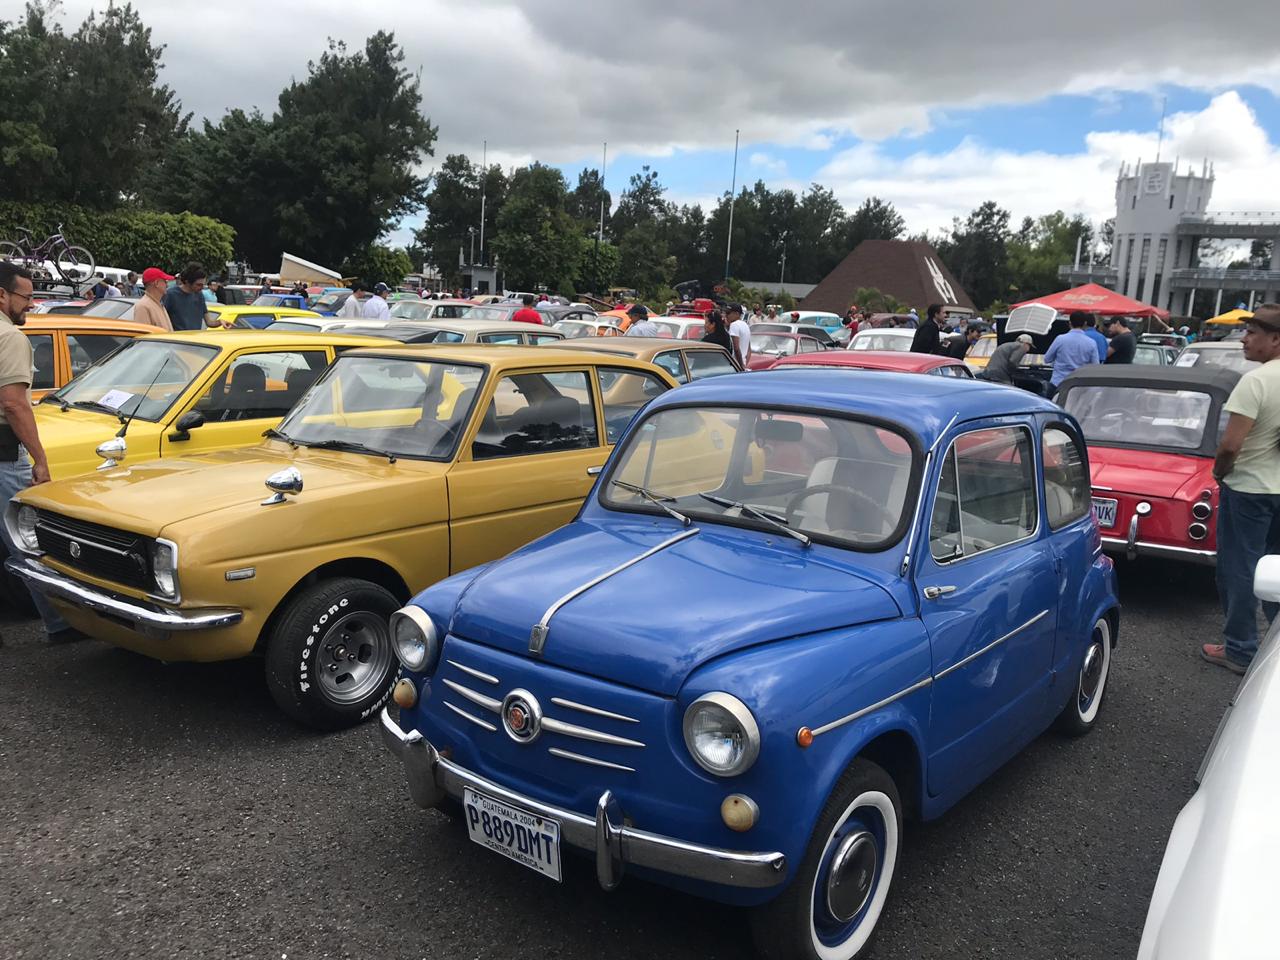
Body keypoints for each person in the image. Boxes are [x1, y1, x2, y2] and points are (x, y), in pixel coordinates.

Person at [0, 262, 82, 644]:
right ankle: (60, 622)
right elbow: (15, 405)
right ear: (3, 295)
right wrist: (41, 459)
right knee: (27, 540)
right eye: (27, 297)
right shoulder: (11, 338)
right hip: (4, 455)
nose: (32, 305)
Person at [1203, 305, 1280, 674]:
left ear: (1275, 339)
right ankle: (1274, 644)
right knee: (1276, 569)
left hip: (1249, 488)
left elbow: (1231, 445)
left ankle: (1239, 648)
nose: (1244, 339)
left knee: (1240, 568)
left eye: (1252, 333)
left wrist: (1220, 473)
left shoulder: (1257, 381)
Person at [1044, 312, 1101, 397]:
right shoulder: (1091, 343)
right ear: (1085, 323)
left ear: (1070, 323)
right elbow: (1095, 366)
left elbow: (1047, 359)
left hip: (1057, 383)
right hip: (1078, 386)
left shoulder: (1060, 339)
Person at [161, 263, 208, 331]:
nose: (202, 288)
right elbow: (161, 318)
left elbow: (209, 322)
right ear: (187, 282)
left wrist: (221, 322)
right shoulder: (171, 294)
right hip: (177, 339)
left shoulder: (199, 295)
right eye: (198, 285)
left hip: (194, 338)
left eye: (203, 284)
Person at [726, 303, 752, 368]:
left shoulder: (734, 325)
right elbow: (749, 349)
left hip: (734, 365)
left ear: (737, 314)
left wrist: (740, 365)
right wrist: (744, 364)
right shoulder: (746, 325)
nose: (726, 315)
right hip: (743, 362)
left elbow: (736, 348)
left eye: (728, 313)